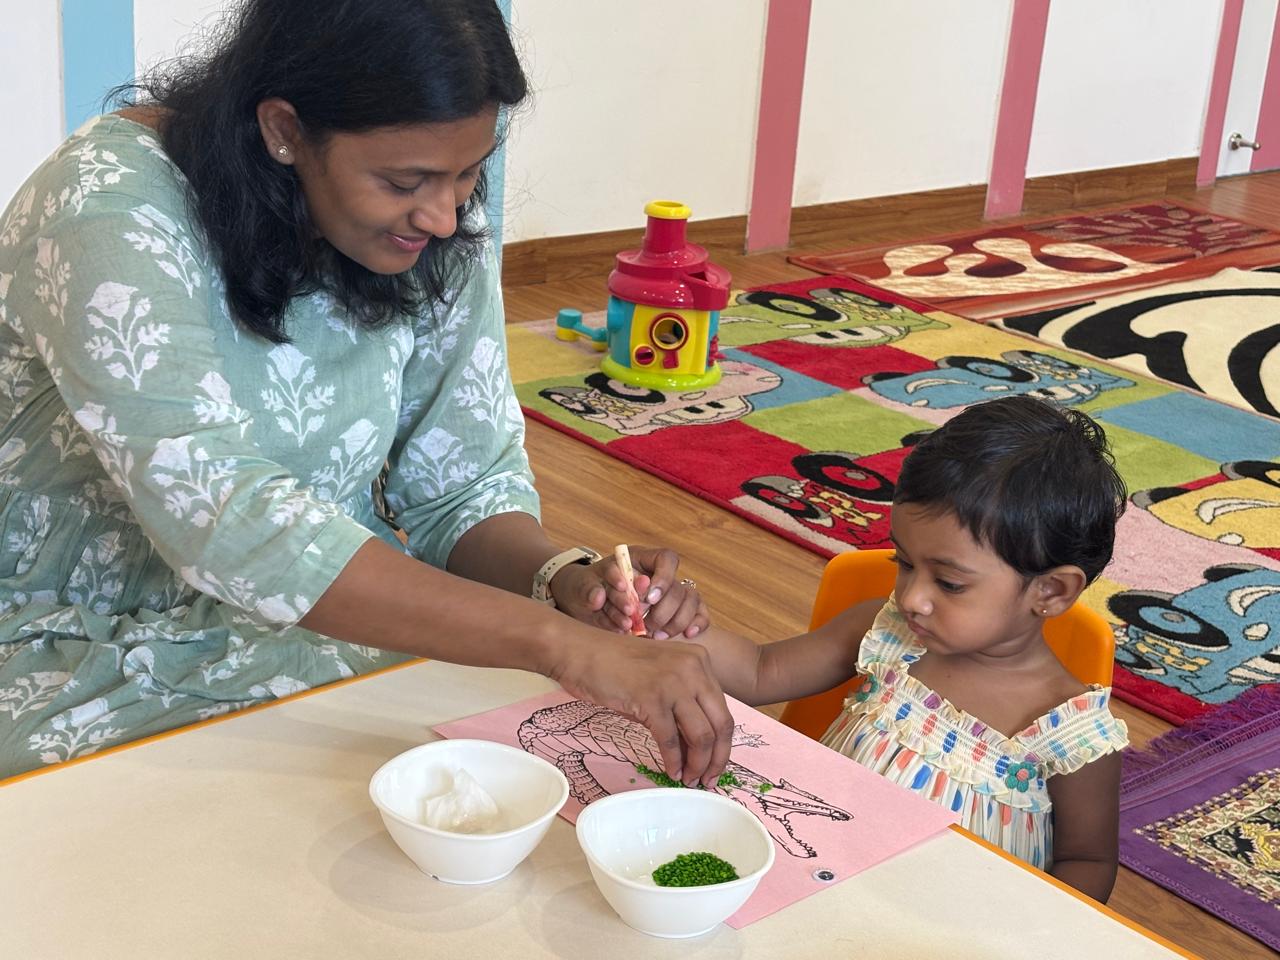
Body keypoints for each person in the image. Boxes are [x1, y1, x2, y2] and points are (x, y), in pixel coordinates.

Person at [0, 0, 734, 783]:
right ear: (284, 129)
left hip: (310, 630)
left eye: (470, 171)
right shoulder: (108, 208)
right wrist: (558, 641)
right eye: (404, 180)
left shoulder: (428, 216)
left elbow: (464, 487)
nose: (446, 217)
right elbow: (225, 519)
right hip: (60, 642)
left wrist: (562, 582)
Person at [681, 396, 1130, 902]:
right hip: (814, 885)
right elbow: (758, 672)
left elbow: (1087, 862)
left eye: (950, 583)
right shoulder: (886, 632)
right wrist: (670, 621)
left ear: (1050, 592)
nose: (912, 597)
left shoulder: (1072, 737)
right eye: (904, 562)